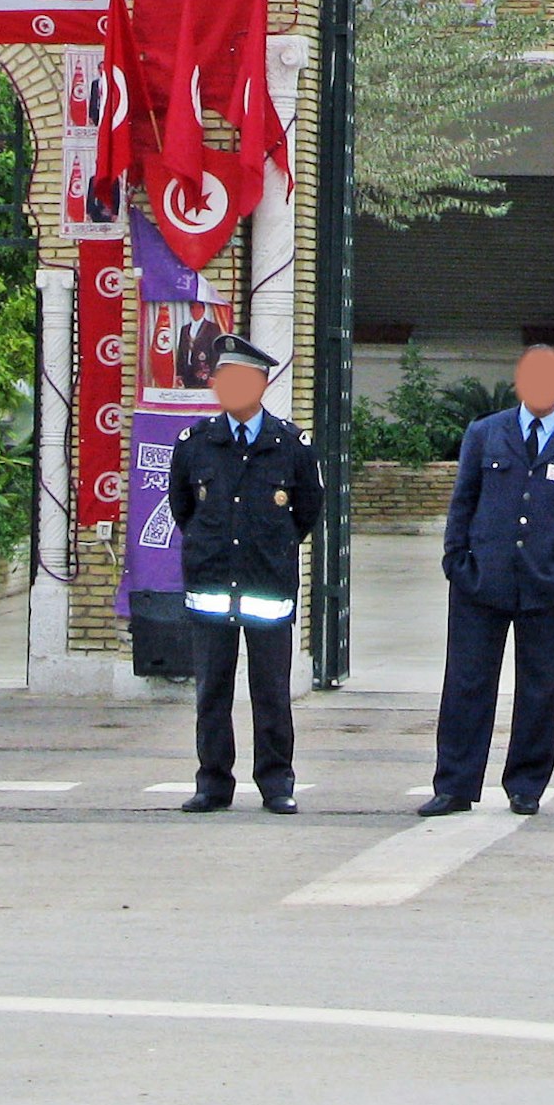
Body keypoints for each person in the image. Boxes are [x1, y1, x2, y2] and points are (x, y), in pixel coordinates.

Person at [422, 344, 554, 817]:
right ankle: (455, 785)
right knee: (466, 685)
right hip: (481, 582)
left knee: (539, 690)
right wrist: (456, 563)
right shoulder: (485, 434)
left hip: (545, 587)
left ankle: (526, 784)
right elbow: (463, 503)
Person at [169, 336, 319, 814]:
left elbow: (307, 514)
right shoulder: (196, 444)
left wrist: (270, 549)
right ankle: (213, 783)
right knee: (212, 691)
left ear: (261, 383)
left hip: (266, 589)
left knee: (271, 692)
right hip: (211, 589)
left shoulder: (290, 445)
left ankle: (276, 783)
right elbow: (183, 508)